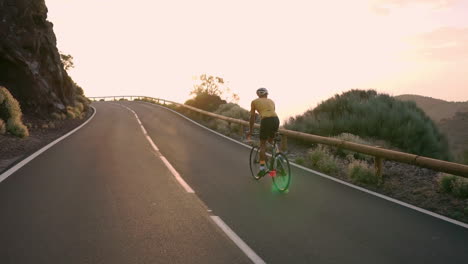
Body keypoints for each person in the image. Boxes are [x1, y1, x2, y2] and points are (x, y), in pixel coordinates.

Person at [247, 88, 280, 177]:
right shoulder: (271, 101)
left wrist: (250, 130)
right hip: (276, 120)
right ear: (267, 94)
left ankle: (262, 169)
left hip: (266, 121)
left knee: (262, 145)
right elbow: (272, 112)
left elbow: (252, 117)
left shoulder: (254, 101)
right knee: (271, 141)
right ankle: (279, 161)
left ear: (258, 95)